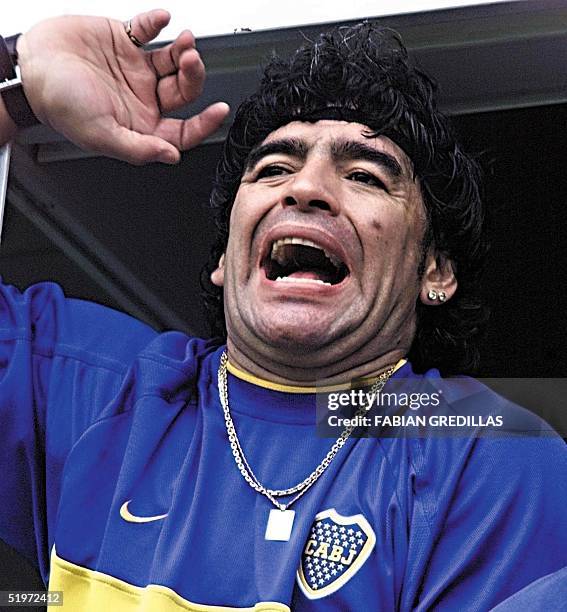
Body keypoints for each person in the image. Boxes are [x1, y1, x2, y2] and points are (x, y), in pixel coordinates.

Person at [0, 8, 565, 611]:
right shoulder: (93, 388)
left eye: (367, 177)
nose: (305, 188)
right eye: (274, 169)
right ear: (224, 256)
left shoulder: (491, 456)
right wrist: (14, 85)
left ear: (435, 270)